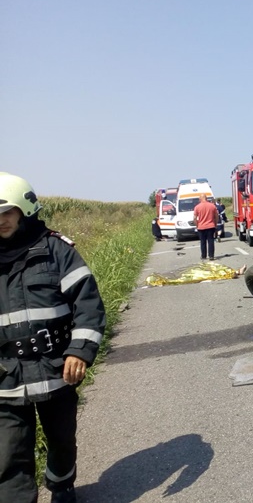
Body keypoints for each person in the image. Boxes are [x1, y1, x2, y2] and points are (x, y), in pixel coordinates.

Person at [0, 172, 106, 503]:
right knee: (8, 454)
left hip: (56, 369)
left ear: (24, 210)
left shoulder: (56, 250)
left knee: (61, 440)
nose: (1, 221)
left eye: (7, 212)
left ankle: (62, 487)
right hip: (5, 377)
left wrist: (80, 351)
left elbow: (88, 304)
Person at [192, 194, 219, 261]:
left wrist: (197, 225)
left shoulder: (197, 207)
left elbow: (195, 218)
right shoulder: (212, 206)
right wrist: (215, 224)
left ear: (201, 198)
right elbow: (216, 216)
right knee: (211, 241)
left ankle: (203, 256)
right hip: (211, 226)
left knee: (203, 242)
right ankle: (211, 256)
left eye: (199, 198)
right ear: (206, 198)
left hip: (201, 227)